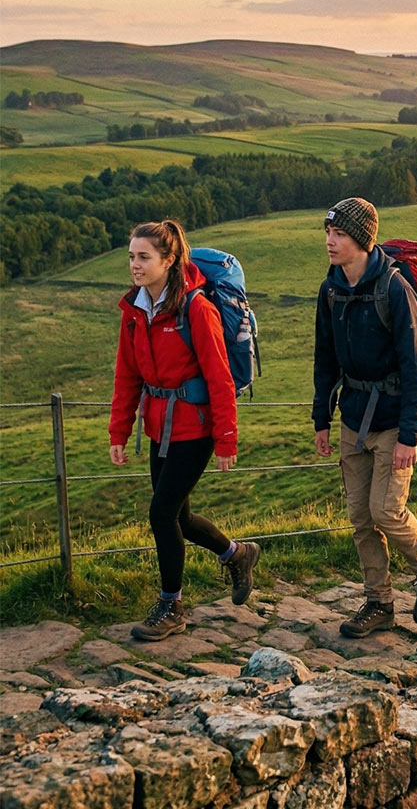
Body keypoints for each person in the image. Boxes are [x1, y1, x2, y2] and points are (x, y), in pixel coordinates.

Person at [108, 220, 260, 642]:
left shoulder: (196, 309)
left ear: (168, 260)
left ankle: (171, 604)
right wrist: (119, 432)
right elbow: (127, 377)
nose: (135, 265)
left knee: (161, 513)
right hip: (160, 426)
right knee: (180, 516)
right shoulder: (135, 311)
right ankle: (238, 554)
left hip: (196, 428)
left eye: (144, 257)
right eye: (131, 257)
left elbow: (219, 378)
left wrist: (227, 438)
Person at [312, 197, 417, 638]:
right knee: (360, 518)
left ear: (362, 239)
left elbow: (415, 366)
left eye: (339, 234)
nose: (330, 242)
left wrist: (411, 434)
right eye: (328, 233)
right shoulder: (330, 289)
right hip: (353, 416)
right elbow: (325, 357)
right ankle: (379, 603)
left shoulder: (394, 289)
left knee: (386, 511)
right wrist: (321, 419)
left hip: (393, 420)